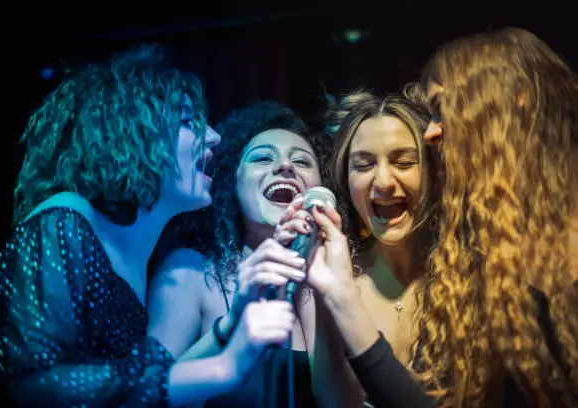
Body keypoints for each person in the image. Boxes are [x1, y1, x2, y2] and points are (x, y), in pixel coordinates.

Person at [0, 44, 296, 407]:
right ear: (135, 133)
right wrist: (223, 367)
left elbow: (137, 384)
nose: (213, 136)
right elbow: (37, 387)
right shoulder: (64, 220)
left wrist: (228, 325)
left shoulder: (138, 256)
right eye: (188, 121)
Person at [277, 27, 578, 407]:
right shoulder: (493, 261)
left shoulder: (479, 271)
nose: (433, 133)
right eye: (363, 164)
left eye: (405, 161)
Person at [147, 101, 330, 407]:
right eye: (262, 158)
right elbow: (146, 392)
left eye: (301, 161)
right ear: (232, 182)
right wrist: (230, 325)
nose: (285, 167)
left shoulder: (331, 284)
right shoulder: (193, 273)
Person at [279, 89, 440, 408]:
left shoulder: (467, 277)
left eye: (404, 162)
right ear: (345, 180)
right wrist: (328, 296)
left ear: (434, 171)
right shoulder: (343, 281)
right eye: (363, 165)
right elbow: (334, 402)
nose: (383, 182)